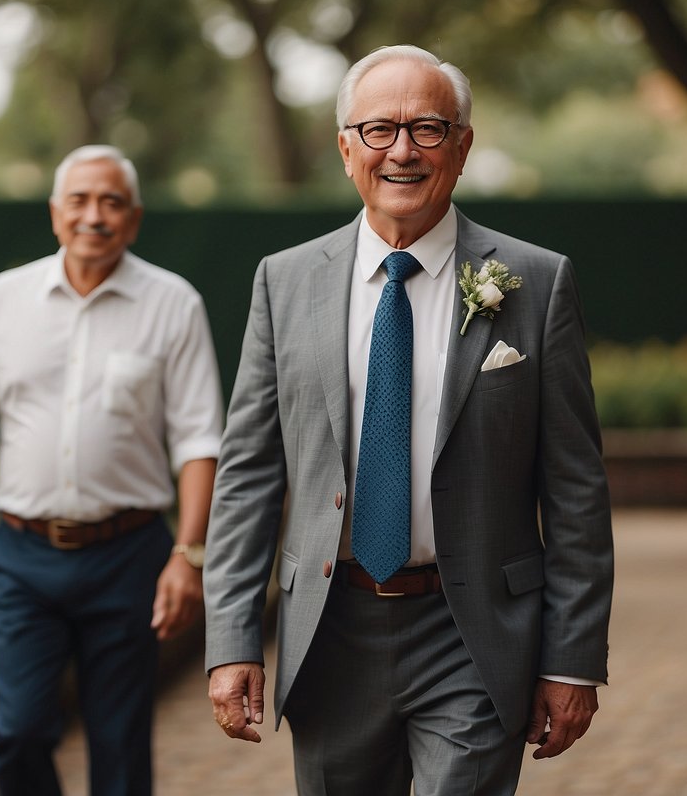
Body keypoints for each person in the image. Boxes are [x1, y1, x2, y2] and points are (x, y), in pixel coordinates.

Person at [203, 45, 613, 794]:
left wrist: (572, 657)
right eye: (378, 130)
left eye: (427, 128)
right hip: (330, 634)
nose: (401, 150)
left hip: (474, 632)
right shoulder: (284, 282)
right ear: (344, 148)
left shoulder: (535, 282)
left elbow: (575, 489)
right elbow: (247, 478)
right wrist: (230, 639)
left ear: (460, 146)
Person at [0, 145, 223, 796]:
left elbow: (198, 439)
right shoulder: (2, 300)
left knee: (119, 745)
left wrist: (187, 552)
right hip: (21, 559)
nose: (94, 216)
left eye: (111, 202)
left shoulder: (172, 304)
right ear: (54, 213)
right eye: (79, 200)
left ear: (134, 217)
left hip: (129, 558)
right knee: (18, 731)